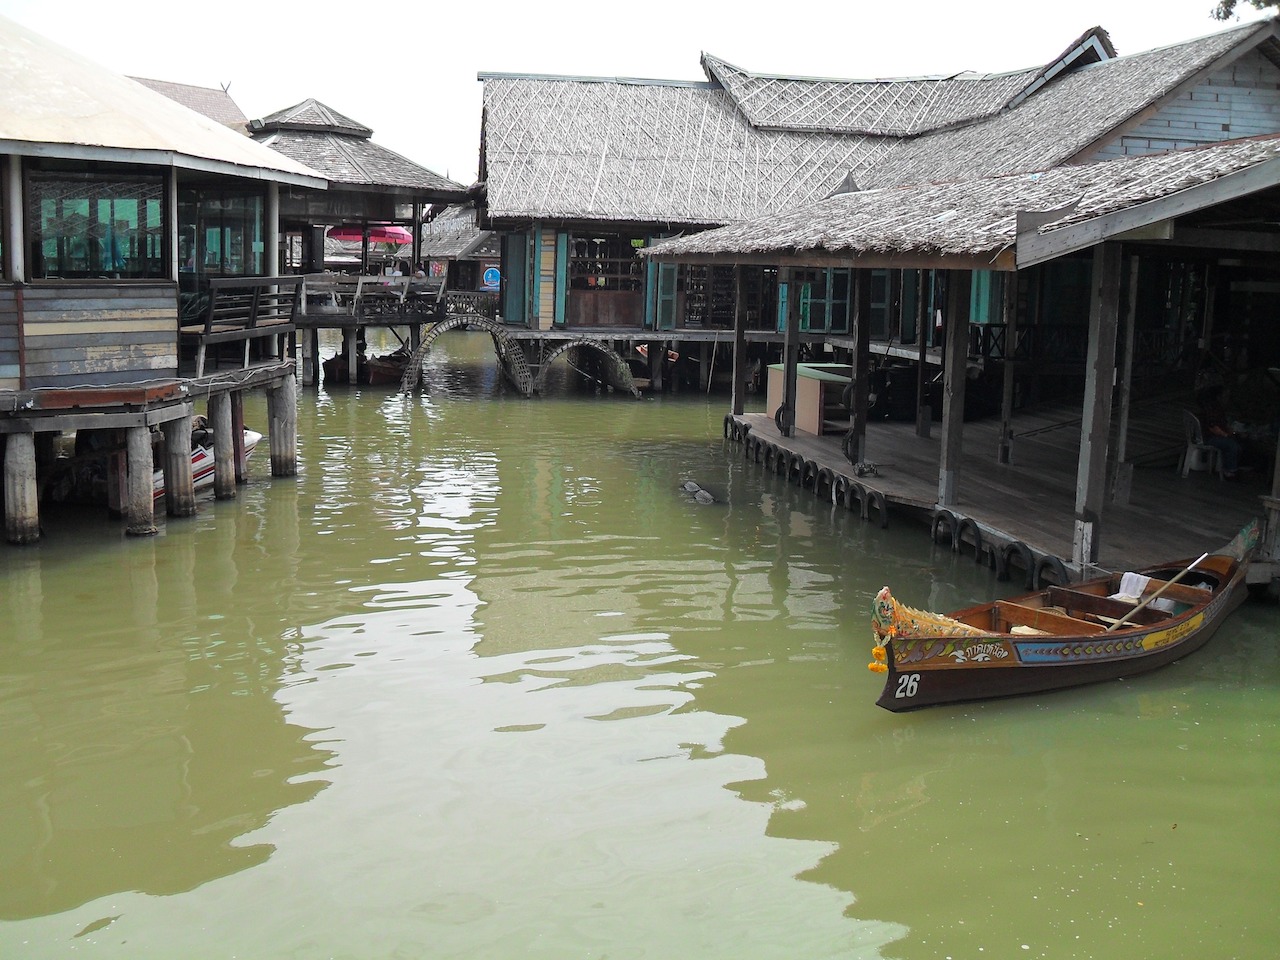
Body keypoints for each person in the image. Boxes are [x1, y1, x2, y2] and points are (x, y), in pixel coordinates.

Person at [1198, 384, 1243, 479]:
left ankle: (1233, 467)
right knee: (1231, 445)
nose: (1227, 399)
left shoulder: (1219, 409)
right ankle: (1229, 471)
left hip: (1218, 436)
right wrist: (1226, 435)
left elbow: (1224, 425)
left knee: (1239, 445)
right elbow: (1213, 427)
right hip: (1210, 438)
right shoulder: (1211, 408)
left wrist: (1232, 432)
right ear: (1219, 397)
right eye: (1225, 396)